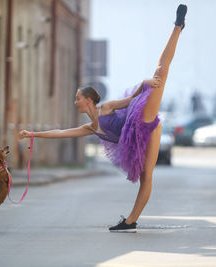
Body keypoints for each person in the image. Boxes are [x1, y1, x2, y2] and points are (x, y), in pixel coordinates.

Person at [19, 4, 187, 233]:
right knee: (145, 177)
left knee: (160, 74)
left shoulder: (106, 108)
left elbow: (130, 102)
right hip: (138, 139)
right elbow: (60, 133)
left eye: (77, 98)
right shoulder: (90, 128)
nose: (75, 102)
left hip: (142, 120)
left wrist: (143, 85)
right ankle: (130, 222)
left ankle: (177, 27)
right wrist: (32, 134)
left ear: (88, 100)